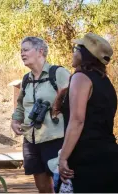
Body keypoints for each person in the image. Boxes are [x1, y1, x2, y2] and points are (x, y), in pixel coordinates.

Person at [57, 32, 118, 193]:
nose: (73, 52)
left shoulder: (81, 77)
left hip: (86, 159)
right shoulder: (106, 82)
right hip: (109, 156)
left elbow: (77, 120)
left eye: (76, 48)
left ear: (85, 53)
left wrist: (63, 157)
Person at [11, 36, 71, 193]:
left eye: (26, 50)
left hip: (55, 139)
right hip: (31, 140)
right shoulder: (26, 79)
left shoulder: (58, 73)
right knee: (42, 187)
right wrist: (15, 120)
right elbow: (20, 105)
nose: (22, 53)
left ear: (40, 51)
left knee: (62, 185)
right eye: (21, 50)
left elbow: (74, 103)